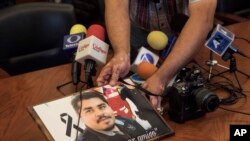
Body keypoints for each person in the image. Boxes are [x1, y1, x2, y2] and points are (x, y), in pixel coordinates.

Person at [96, 0, 217, 108]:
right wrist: (121, 53)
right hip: (140, 30)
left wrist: (161, 77)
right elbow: (117, 6)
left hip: (185, 34)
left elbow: (202, 20)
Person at [71, 91, 146, 141]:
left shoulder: (125, 120)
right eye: (89, 110)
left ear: (109, 107)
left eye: (102, 106)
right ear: (80, 118)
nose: (100, 113)